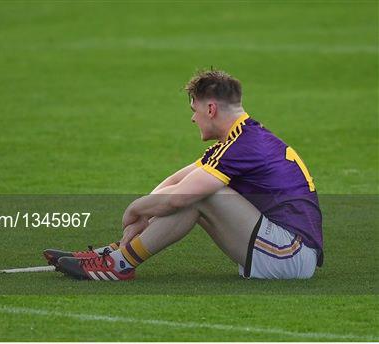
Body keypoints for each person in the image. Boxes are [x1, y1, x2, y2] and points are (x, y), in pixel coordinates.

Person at [44, 69, 323, 280]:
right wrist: (140, 221)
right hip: (283, 249)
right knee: (190, 194)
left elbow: (180, 197)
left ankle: (118, 265)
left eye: (195, 110)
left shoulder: (243, 144)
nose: (193, 118)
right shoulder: (239, 139)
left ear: (210, 109)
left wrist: (134, 209)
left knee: (197, 197)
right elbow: (175, 182)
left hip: (291, 255)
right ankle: (115, 255)